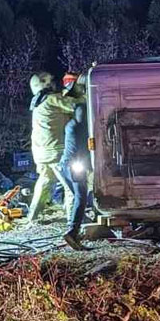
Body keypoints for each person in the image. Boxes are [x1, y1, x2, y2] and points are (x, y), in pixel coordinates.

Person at [26, 72, 78, 225]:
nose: (54, 84)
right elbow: (76, 105)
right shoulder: (53, 99)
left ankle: (32, 216)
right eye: (50, 81)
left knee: (44, 183)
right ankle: (74, 220)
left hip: (41, 152)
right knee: (71, 185)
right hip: (55, 151)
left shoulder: (36, 102)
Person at [58, 74, 90, 250]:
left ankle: (74, 231)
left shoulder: (71, 124)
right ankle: (72, 232)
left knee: (80, 197)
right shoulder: (80, 122)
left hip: (66, 164)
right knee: (80, 197)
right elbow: (81, 147)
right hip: (74, 164)